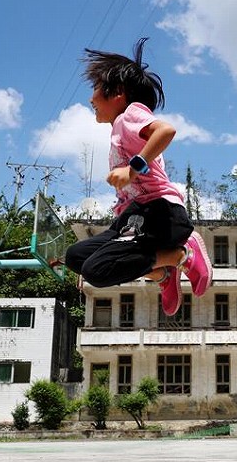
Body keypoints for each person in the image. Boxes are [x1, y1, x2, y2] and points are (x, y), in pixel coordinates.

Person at [64, 38, 212, 316]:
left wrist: (132, 169)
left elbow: (165, 131)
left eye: (95, 89)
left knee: (97, 271)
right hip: (132, 217)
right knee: (76, 257)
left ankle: (183, 253)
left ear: (118, 92)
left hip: (158, 213)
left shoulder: (128, 116)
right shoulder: (120, 128)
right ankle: (164, 275)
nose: (90, 99)